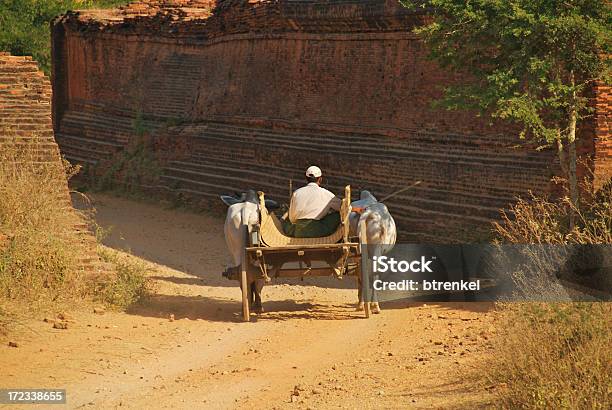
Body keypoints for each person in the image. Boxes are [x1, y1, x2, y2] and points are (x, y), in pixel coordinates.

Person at [284, 166, 363, 238]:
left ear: (306, 178)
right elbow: (343, 208)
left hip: (299, 232)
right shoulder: (325, 193)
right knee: (337, 215)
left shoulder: (297, 193)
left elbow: (292, 218)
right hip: (317, 231)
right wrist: (356, 209)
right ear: (320, 179)